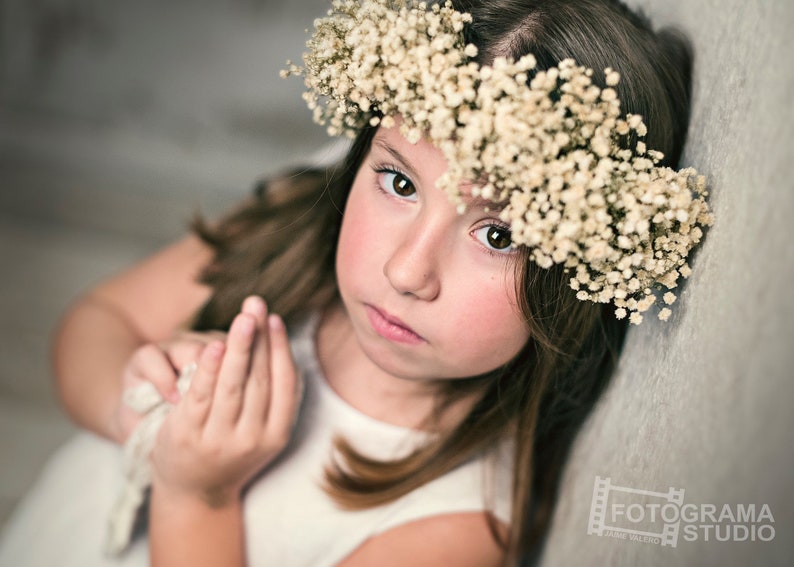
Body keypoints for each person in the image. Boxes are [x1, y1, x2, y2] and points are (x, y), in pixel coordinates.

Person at [0, 0, 712, 566]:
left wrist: (200, 493)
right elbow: (92, 322)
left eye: (500, 235)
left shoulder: (456, 527)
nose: (407, 271)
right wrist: (143, 414)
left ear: (583, 272)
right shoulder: (292, 230)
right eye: (399, 181)